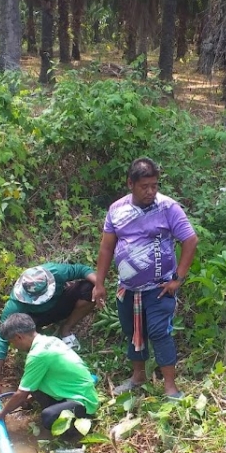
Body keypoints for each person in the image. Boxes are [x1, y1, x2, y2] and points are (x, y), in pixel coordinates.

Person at [92, 157, 198, 399]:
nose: (151, 191)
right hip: (128, 287)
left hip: (159, 287)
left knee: (160, 332)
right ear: (131, 183)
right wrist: (99, 283)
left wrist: (177, 279)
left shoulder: (168, 208)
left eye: (155, 185)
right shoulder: (117, 210)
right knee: (133, 331)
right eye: (144, 186)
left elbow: (190, 240)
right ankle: (138, 377)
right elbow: (106, 248)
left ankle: (170, 386)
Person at [0, 261, 96, 397]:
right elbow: (1, 340)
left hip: (59, 305)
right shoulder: (15, 305)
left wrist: (99, 287)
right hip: (36, 320)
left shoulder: (55, 272)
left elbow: (82, 269)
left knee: (89, 289)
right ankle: (35, 352)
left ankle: (66, 329)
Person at [0, 313, 99, 433]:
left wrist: (1, 414)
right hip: (83, 392)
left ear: (19, 337)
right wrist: (30, 397)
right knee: (31, 385)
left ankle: (78, 431)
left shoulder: (38, 354)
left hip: (83, 402)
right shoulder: (50, 340)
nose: (15, 346)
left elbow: (21, 394)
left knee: (48, 417)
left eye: (12, 342)